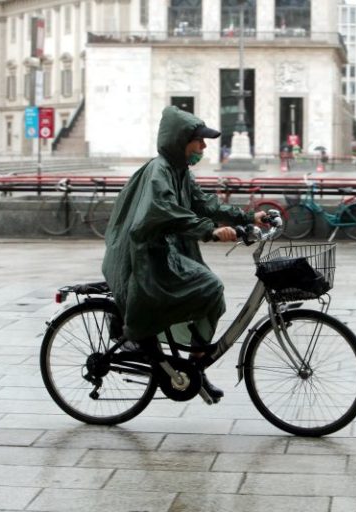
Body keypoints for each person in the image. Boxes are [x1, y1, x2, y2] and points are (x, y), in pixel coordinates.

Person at [102, 106, 266, 400]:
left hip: (163, 251)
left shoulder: (179, 171)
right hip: (144, 256)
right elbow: (164, 211)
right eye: (199, 142)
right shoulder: (159, 171)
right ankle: (141, 339)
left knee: (210, 293)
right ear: (181, 141)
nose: (203, 148)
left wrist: (249, 217)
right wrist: (209, 231)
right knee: (211, 287)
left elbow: (205, 203)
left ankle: (195, 368)